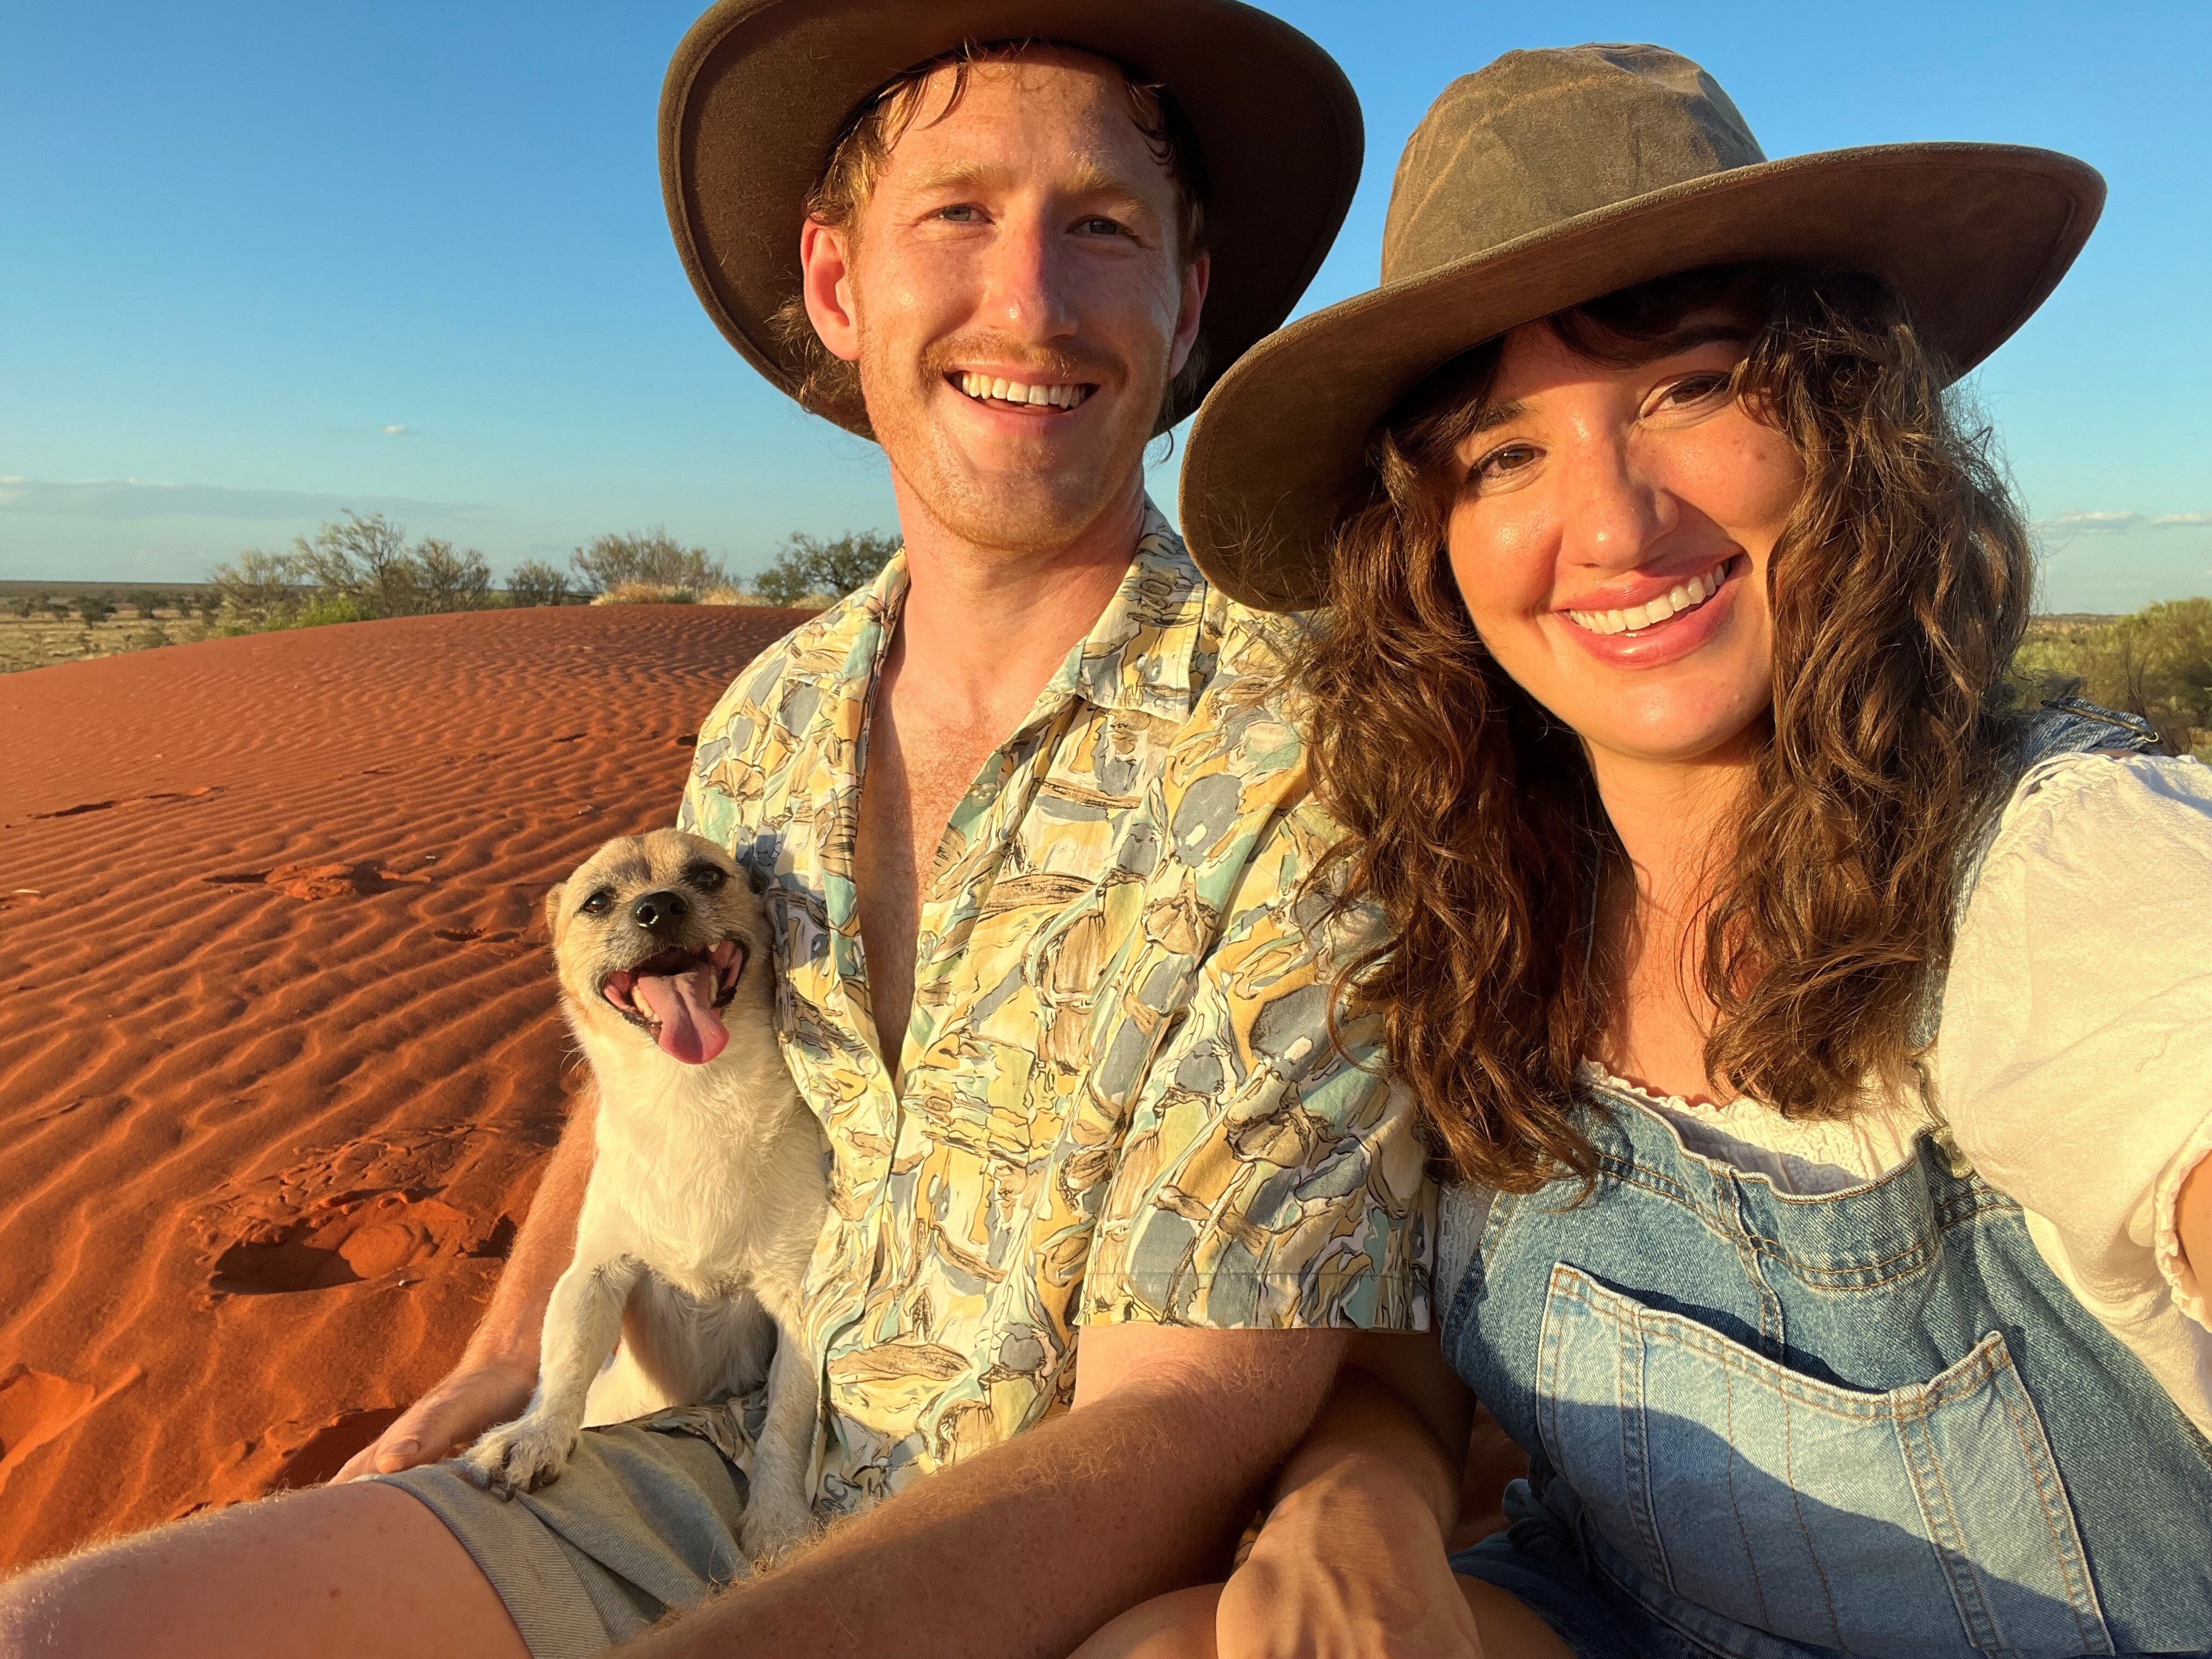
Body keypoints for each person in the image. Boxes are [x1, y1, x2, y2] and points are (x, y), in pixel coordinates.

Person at [0, 6, 1437, 1657]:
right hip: (701, 1462)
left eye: (1101, 228)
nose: (1029, 299)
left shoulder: (1313, 751)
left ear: (1185, 307)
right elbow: (653, 1069)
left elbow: (1187, 1415)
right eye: (957, 212)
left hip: (1059, 1555)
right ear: (840, 286)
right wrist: (501, 1346)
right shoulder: (767, 717)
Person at [1087, 43, 2212, 1659]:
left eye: (1689, 387)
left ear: (1842, 417)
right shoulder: (1483, 904)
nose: (1614, 527)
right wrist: (1365, 1484)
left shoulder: (2059, 865)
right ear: (1437, 547)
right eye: (1506, 455)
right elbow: (1416, 1332)